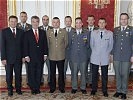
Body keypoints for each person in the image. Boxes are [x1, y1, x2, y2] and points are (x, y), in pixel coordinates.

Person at [24, 16, 48, 95]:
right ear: (31, 22)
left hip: (40, 56)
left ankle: (37, 88)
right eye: (33, 21)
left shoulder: (43, 32)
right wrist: (26, 55)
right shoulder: (27, 33)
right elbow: (25, 45)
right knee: (31, 73)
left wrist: (45, 54)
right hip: (30, 57)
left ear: (38, 22)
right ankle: (33, 88)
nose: (35, 23)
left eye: (36, 21)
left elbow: (45, 44)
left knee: (39, 72)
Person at [1, 15, 24, 96]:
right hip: (8, 58)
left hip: (19, 58)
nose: (13, 23)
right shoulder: (4, 31)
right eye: (11, 21)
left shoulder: (21, 32)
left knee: (18, 75)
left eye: (15, 21)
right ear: (9, 22)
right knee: (8, 76)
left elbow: (23, 46)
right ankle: (10, 89)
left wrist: (23, 56)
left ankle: (18, 89)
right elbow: (2, 46)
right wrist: (3, 58)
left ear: (17, 22)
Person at [112, 13, 133, 99]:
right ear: (119, 20)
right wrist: (112, 54)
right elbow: (114, 43)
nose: (123, 20)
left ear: (128, 20)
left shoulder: (131, 29)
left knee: (125, 74)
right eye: (122, 19)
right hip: (116, 55)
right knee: (117, 74)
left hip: (127, 56)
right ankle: (118, 90)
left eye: (125, 19)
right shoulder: (116, 30)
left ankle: (124, 91)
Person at [90, 18, 113, 97]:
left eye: (103, 23)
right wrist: (96, 52)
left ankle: (104, 90)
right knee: (94, 75)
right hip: (95, 56)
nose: (102, 24)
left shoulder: (110, 33)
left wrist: (106, 53)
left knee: (104, 75)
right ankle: (94, 89)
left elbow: (111, 45)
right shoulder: (93, 33)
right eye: (100, 22)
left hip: (105, 56)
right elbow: (91, 45)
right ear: (98, 24)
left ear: (105, 24)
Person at [69, 17, 90, 94]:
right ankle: (74, 87)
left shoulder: (87, 33)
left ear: (82, 24)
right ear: (75, 24)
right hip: (74, 57)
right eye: (76, 23)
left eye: (79, 22)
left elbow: (88, 45)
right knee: (74, 73)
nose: (78, 24)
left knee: (83, 73)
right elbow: (70, 45)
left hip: (83, 57)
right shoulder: (71, 33)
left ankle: (83, 87)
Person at [47, 17, 68, 93]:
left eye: (57, 22)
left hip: (61, 56)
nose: (56, 24)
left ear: (59, 23)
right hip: (51, 56)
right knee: (52, 73)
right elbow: (47, 44)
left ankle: (61, 87)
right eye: (54, 22)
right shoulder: (48, 32)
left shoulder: (64, 32)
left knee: (61, 72)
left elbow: (66, 43)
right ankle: (52, 88)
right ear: (52, 23)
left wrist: (60, 50)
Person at [17, 11, 32, 85]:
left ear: (27, 17)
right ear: (20, 17)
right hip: (18, 50)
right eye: (22, 16)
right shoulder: (16, 26)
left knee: (29, 67)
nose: (23, 18)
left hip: (28, 50)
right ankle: (18, 83)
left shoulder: (30, 26)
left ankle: (29, 81)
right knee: (18, 68)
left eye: (25, 16)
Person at [84, 15, 99, 87]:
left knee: (93, 68)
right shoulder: (83, 30)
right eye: (89, 20)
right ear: (87, 21)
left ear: (94, 21)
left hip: (95, 52)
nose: (90, 21)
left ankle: (91, 81)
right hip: (85, 52)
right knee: (85, 68)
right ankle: (86, 81)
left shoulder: (98, 30)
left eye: (92, 20)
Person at [39, 15, 53, 85]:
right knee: (40, 67)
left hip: (50, 52)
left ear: (48, 21)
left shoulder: (52, 29)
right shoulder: (38, 29)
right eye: (44, 19)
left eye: (47, 19)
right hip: (40, 52)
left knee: (50, 67)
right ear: (42, 20)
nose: (45, 21)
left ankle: (50, 80)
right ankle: (40, 80)